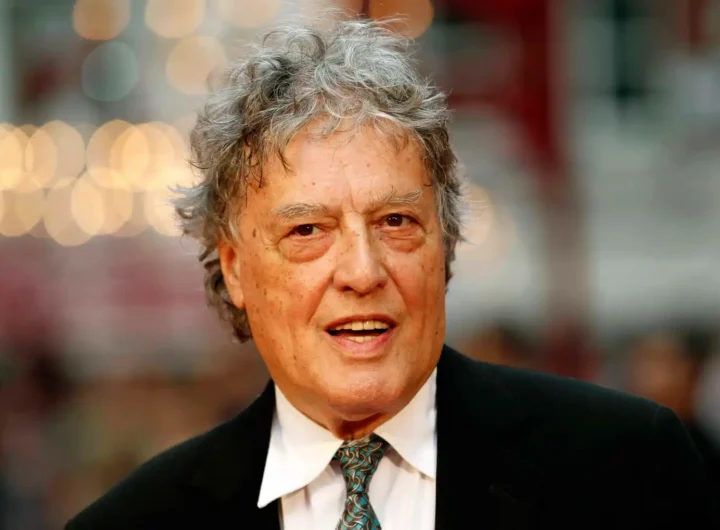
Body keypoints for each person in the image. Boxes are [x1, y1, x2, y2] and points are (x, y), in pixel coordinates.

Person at [66, 16, 717, 529]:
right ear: (234, 268)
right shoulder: (134, 522)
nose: (362, 270)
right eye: (308, 231)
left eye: (396, 222)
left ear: (446, 245)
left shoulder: (630, 470)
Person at [627, 327, 720, 499]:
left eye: (662, 363)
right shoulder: (622, 449)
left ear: (690, 375)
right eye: (646, 363)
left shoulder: (705, 451)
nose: (650, 376)